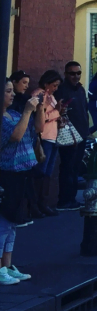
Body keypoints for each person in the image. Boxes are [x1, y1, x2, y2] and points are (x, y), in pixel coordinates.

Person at [0, 83, 40, 284]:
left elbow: (36, 129)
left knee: (13, 222)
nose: (12, 94)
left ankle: (7, 265)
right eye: (7, 91)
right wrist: (27, 111)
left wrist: (38, 109)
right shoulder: (6, 119)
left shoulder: (14, 115)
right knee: (4, 222)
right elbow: (15, 136)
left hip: (22, 172)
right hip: (7, 173)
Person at [55, 61, 89, 211]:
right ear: (66, 74)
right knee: (68, 167)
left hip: (81, 135)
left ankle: (72, 198)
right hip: (68, 135)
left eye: (78, 73)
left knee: (75, 168)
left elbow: (84, 110)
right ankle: (65, 200)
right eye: (72, 73)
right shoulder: (62, 91)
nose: (75, 76)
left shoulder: (80, 90)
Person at [29, 71, 62, 217]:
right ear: (46, 83)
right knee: (40, 171)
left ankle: (44, 203)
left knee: (48, 172)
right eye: (54, 85)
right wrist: (57, 112)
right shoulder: (39, 95)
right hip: (44, 137)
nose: (55, 88)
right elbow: (40, 117)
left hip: (53, 136)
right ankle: (35, 205)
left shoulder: (50, 96)